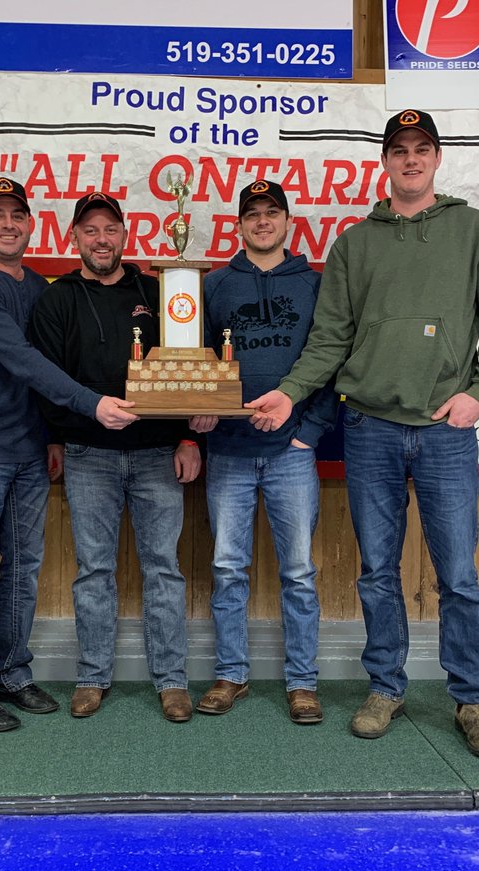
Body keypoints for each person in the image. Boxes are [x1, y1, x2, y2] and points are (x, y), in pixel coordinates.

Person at [246, 110, 479, 759]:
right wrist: (288, 392)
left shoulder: (476, 234)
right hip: (368, 428)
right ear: (386, 162)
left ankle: (472, 700)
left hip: (444, 434)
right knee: (376, 573)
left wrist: (477, 395)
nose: (411, 159)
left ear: (436, 158)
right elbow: (330, 338)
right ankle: (386, 687)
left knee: (457, 573)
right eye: (399, 150)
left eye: (421, 148)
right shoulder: (353, 245)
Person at [0, 176, 138, 733]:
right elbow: (24, 361)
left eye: (17, 215)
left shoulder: (38, 288)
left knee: (23, 570)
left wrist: (52, 435)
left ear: (32, 224)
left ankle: (11, 673)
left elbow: (49, 369)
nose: (7, 225)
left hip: (29, 451)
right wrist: (92, 405)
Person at [28, 191, 201, 724]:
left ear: (126, 234)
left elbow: (189, 367)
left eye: (110, 229)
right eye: (90, 230)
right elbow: (47, 380)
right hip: (88, 457)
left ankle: (172, 681)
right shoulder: (56, 300)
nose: (101, 239)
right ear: (74, 237)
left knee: (165, 570)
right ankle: (92, 676)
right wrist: (55, 438)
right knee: (94, 571)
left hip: (157, 454)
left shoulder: (158, 290)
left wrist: (192, 438)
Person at [189, 180, 337, 725]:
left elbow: (332, 360)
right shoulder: (215, 286)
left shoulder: (315, 286)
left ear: (287, 220)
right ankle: (231, 674)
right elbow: (195, 357)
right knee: (228, 567)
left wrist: (311, 431)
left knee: (298, 571)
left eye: (270, 211)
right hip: (227, 449)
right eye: (251, 214)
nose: (261, 221)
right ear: (240, 225)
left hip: (291, 453)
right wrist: (195, 417)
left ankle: (302, 683)